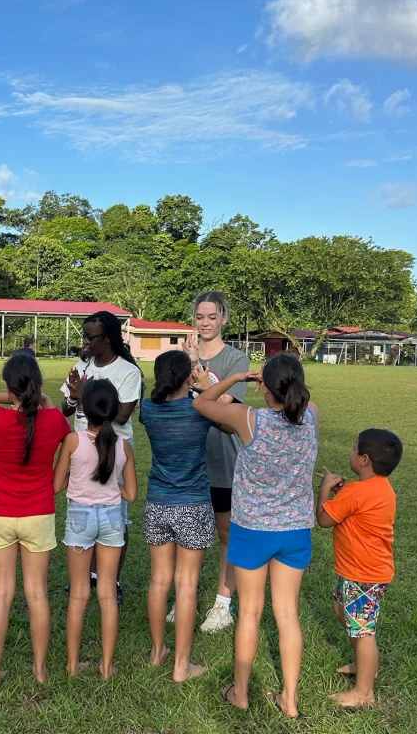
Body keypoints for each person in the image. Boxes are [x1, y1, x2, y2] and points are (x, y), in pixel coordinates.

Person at [192, 353, 318, 719]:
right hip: (295, 531)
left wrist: (234, 379)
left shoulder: (250, 419)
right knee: (287, 615)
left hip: (252, 531)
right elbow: (297, 405)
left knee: (248, 612)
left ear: (264, 386)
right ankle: (290, 699)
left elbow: (201, 402)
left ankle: (241, 692)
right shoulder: (312, 416)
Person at [0, 354, 70, 690]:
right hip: (38, 515)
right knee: (37, 595)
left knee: (1, 594)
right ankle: (39, 670)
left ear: (10, 388)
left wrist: (8, 398)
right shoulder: (53, 421)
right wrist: (32, 398)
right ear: (37, 385)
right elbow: (51, 408)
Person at [142, 351, 236, 682]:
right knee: (187, 586)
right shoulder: (198, 409)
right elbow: (229, 423)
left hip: (157, 503)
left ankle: (157, 652)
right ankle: (182, 666)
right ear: (187, 377)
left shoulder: (147, 409)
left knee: (159, 581)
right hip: (193, 505)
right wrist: (207, 385)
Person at [168, 290, 250, 633]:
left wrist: (197, 369)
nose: (204, 323)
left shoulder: (236, 359)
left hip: (222, 460)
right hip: (185, 458)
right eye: (200, 317)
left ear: (224, 319)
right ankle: (182, 597)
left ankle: (222, 603)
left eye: (211, 317)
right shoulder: (181, 355)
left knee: (225, 532)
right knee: (186, 532)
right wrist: (185, 362)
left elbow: (224, 402)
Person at [54, 379, 137, 678]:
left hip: (79, 518)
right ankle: (106, 666)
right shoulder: (123, 445)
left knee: (79, 595)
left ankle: (73, 665)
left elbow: (56, 485)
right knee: (107, 593)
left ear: (84, 408)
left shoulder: (73, 441)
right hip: (113, 519)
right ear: (114, 410)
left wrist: (73, 482)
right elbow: (131, 495)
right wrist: (113, 482)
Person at [60, 311, 142, 604]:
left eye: (89, 337)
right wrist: (72, 396)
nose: (84, 342)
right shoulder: (81, 366)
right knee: (82, 513)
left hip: (113, 453)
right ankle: (87, 578)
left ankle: (111, 580)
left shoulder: (128, 372)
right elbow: (65, 409)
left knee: (115, 520)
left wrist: (83, 395)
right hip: (82, 454)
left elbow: (121, 415)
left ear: (107, 339)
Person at [317, 429, 402, 708]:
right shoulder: (382, 488)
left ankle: (364, 692)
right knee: (341, 609)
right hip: (367, 573)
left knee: (364, 632)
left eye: (354, 449)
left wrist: (326, 490)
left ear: (364, 459)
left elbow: (325, 520)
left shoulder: (355, 491)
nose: (350, 453)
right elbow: (359, 507)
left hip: (362, 575)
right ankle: (363, 664)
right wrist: (344, 492)